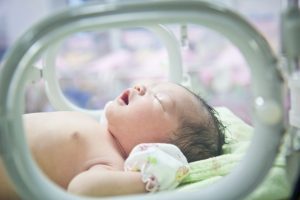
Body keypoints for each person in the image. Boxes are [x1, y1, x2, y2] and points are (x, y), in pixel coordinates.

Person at [0, 81, 225, 199]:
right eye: (152, 85)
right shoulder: (101, 132)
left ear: (159, 148)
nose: (141, 86)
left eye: (158, 99)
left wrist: (150, 179)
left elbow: (81, 189)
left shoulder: (111, 163)